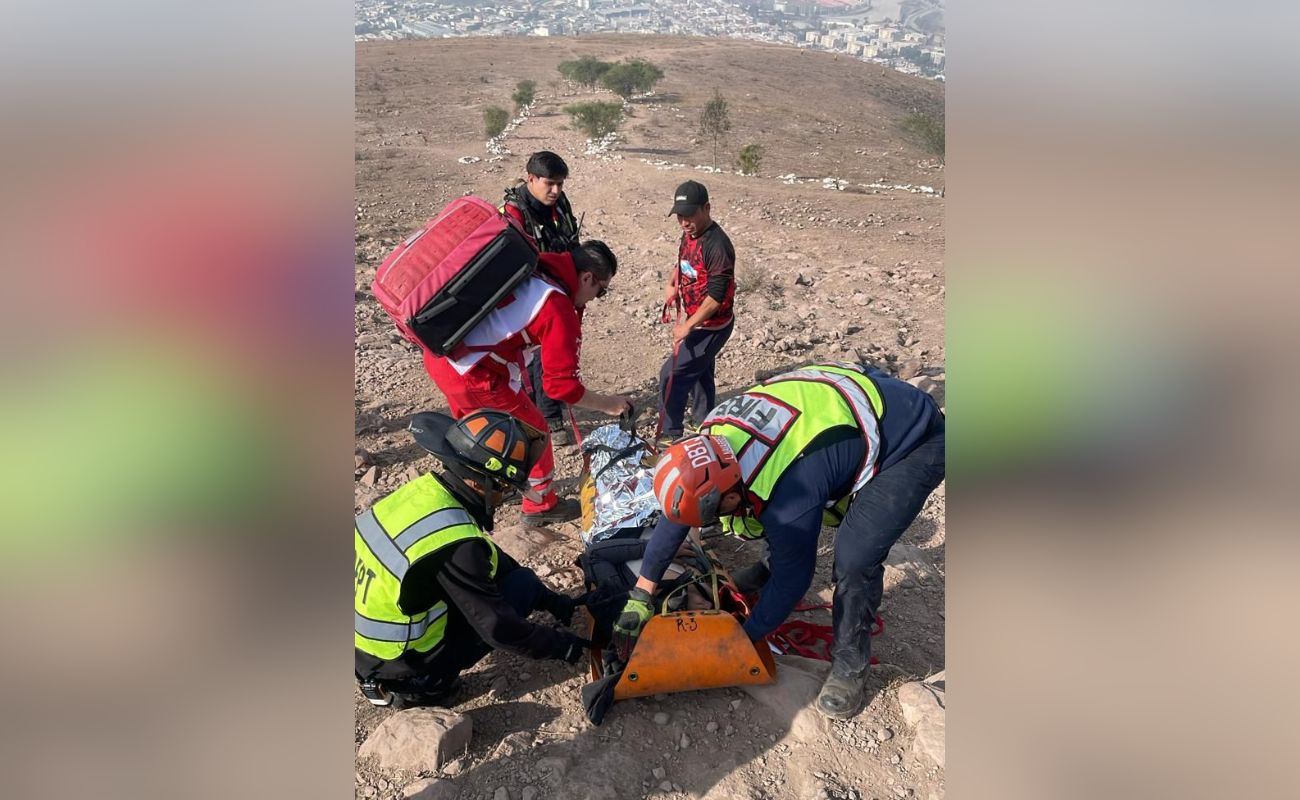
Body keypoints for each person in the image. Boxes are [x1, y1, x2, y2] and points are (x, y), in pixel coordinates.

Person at [612, 363, 945, 719]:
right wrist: (641, 594)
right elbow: (680, 515)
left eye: (713, 514)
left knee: (854, 557)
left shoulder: (789, 490)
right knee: (772, 513)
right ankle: (763, 573)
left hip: (914, 438)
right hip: (847, 402)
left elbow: (795, 578)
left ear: (728, 495)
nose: (711, 522)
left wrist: (743, 639)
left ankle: (850, 664)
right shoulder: (710, 442)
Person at [355, 410, 593, 709]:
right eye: (505, 489)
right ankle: (426, 687)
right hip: (401, 662)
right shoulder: (455, 544)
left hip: (362, 645)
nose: (505, 498)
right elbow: (499, 628)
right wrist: (562, 646)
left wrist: (551, 601)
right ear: (482, 483)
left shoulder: (424, 494)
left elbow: (492, 559)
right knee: (516, 592)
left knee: (522, 584)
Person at [423, 240, 633, 525]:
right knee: (534, 434)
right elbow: (561, 387)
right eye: (601, 290)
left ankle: (475, 491)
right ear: (586, 277)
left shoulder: (536, 265)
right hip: (476, 375)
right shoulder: (556, 305)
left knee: (475, 433)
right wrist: (608, 404)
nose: (596, 298)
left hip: (444, 356)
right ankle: (541, 505)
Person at [502, 150, 582, 446]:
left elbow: (571, 238)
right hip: (527, 295)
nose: (556, 190)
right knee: (541, 355)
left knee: (552, 354)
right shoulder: (514, 213)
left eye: (560, 183)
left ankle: (543, 407)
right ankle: (549, 416)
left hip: (558, 288)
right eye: (549, 183)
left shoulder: (559, 203)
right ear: (531, 178)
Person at [659, 180, 736, 440]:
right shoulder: (690, 233)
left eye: (689, 215)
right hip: (697, 321)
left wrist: (688, 326)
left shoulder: (718, 246)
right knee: (700, 369)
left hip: (711, 326)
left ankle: (669, 435)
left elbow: (715, 298)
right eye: (680, 216)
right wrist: (672, 283)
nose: (684, 222)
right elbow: (684, 261)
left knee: (672, 375)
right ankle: (704, 423)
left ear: (707, 208)